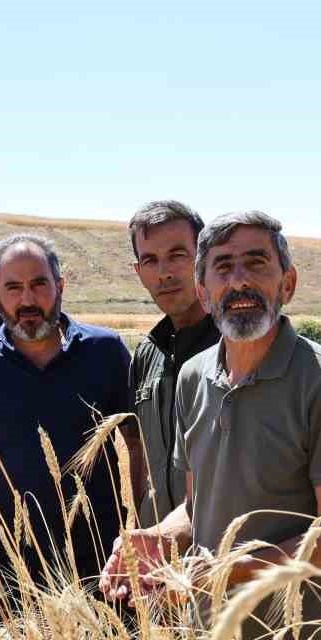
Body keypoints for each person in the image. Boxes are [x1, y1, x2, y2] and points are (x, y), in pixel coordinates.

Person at [100, 211, 321, 640]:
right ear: (204, 291)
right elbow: (197, 506)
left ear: (286, 283)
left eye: (256, 263)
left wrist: (231, 570)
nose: (240, 281)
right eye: (223, 268)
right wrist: (157, 538)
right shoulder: (194, 378)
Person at [0, 233, 145, 600]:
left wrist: (141, 531)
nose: (27, 299)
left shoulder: (106, 351)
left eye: (39, 284)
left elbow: (139, 442)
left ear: (60, 285)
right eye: (13, 287)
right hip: (8, 563)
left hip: (102, 561)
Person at [125, 201, 220, 527]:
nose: (164, 272)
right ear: (138, 272)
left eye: (178, 255)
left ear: (204, 257)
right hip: (159, 557)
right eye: (150, 260)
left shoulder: (236, 346)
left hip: (226, 558)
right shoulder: (146, 356)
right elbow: (139, 452)